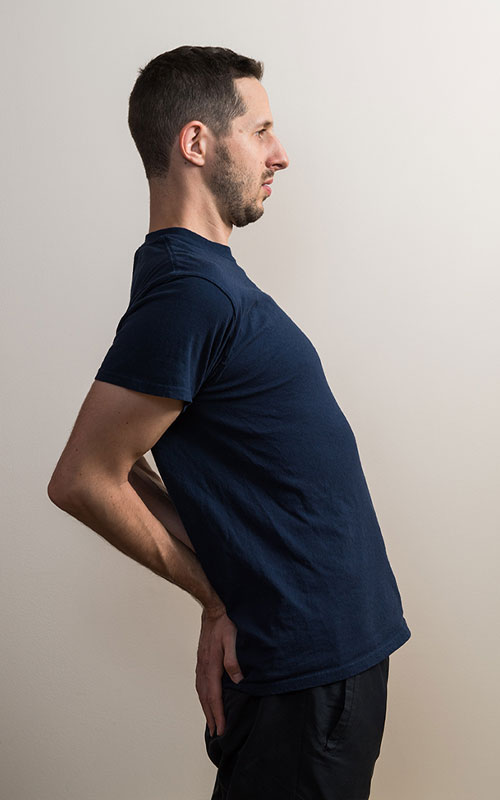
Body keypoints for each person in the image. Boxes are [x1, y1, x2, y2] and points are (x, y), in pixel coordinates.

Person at [47, 45, 411, 799]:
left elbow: (118, 470)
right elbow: (85, 478)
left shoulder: (199, 281)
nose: (281, 153)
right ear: (196, 142)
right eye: (262, 129)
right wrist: (214, 593)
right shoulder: (189, 293)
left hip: (318, 667)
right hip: (305, 679)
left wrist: (225, 583)